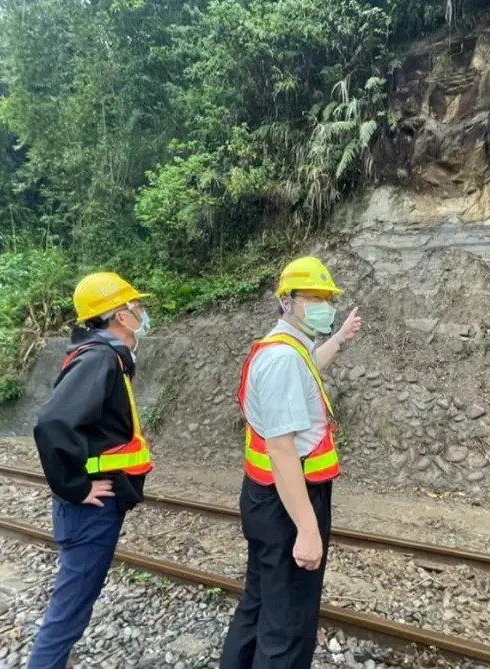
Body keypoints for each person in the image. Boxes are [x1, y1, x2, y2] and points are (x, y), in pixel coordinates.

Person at [220, 256, 362, 669]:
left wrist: (338, 339)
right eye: (314, 298)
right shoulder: (283, 358)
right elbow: (282, 451)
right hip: (289, 500)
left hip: (266, 496)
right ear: (286, 301)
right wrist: (307, 529)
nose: (324, 305)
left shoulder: (285, 349)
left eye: (328, 298)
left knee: (260, 604)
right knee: (288, 624)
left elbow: (306, 372)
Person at [27, 272, 154, 669]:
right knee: (69, 610)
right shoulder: (100, 359)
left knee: (74, 604)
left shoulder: (106, 355)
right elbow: (51, 424)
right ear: (120, 315)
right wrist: (76, 488)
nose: (141, 313)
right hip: (90, 509)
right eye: (135, 307)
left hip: (98, 505)